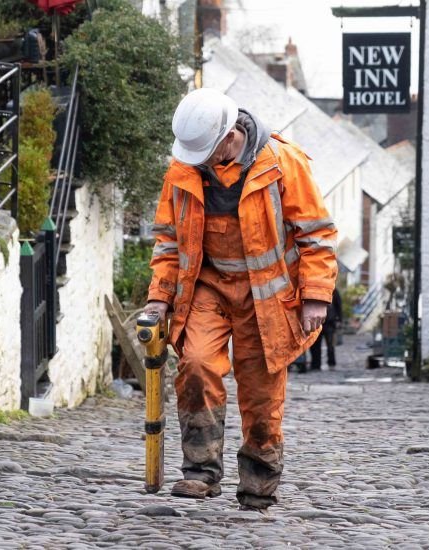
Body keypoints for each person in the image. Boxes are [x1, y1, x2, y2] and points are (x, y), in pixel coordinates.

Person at [144, 88, 338, 512]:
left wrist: (316, 296)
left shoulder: (283, 163)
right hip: (206, 286)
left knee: (262, 394)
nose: (203, 163)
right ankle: (200, 472)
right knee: (195, 365)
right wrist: (160, 297)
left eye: (209, 153)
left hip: (265, 298)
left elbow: (317, 235)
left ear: (231, 135)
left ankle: (258, 484)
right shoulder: (184, 168)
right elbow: (168, 241)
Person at [308, 287, 342, 371]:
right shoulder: (314, 288)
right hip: (316, 321)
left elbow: (338, 305)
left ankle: (331, 363)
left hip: (329, 322)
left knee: (330, 345)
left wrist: (339, 319)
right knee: (315, 345)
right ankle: (316, 364)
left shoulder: (333, 289)